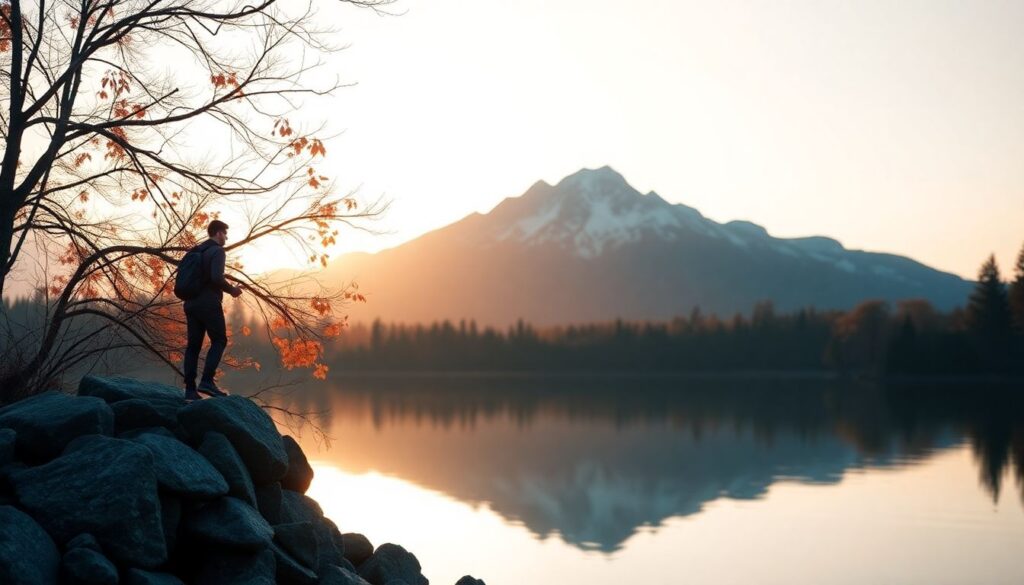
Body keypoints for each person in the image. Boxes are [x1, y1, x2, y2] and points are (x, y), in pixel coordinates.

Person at [182, 220, 243, 400]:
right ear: (218, 233)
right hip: (208, 303)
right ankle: (207, 381)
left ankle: (190, 390)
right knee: (219, 340)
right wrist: (232, 290)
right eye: (225, 233)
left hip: (190, 303)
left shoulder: (196, 251)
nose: (226, 237)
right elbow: (216, 277)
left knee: (193, 346)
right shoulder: (217, 251)